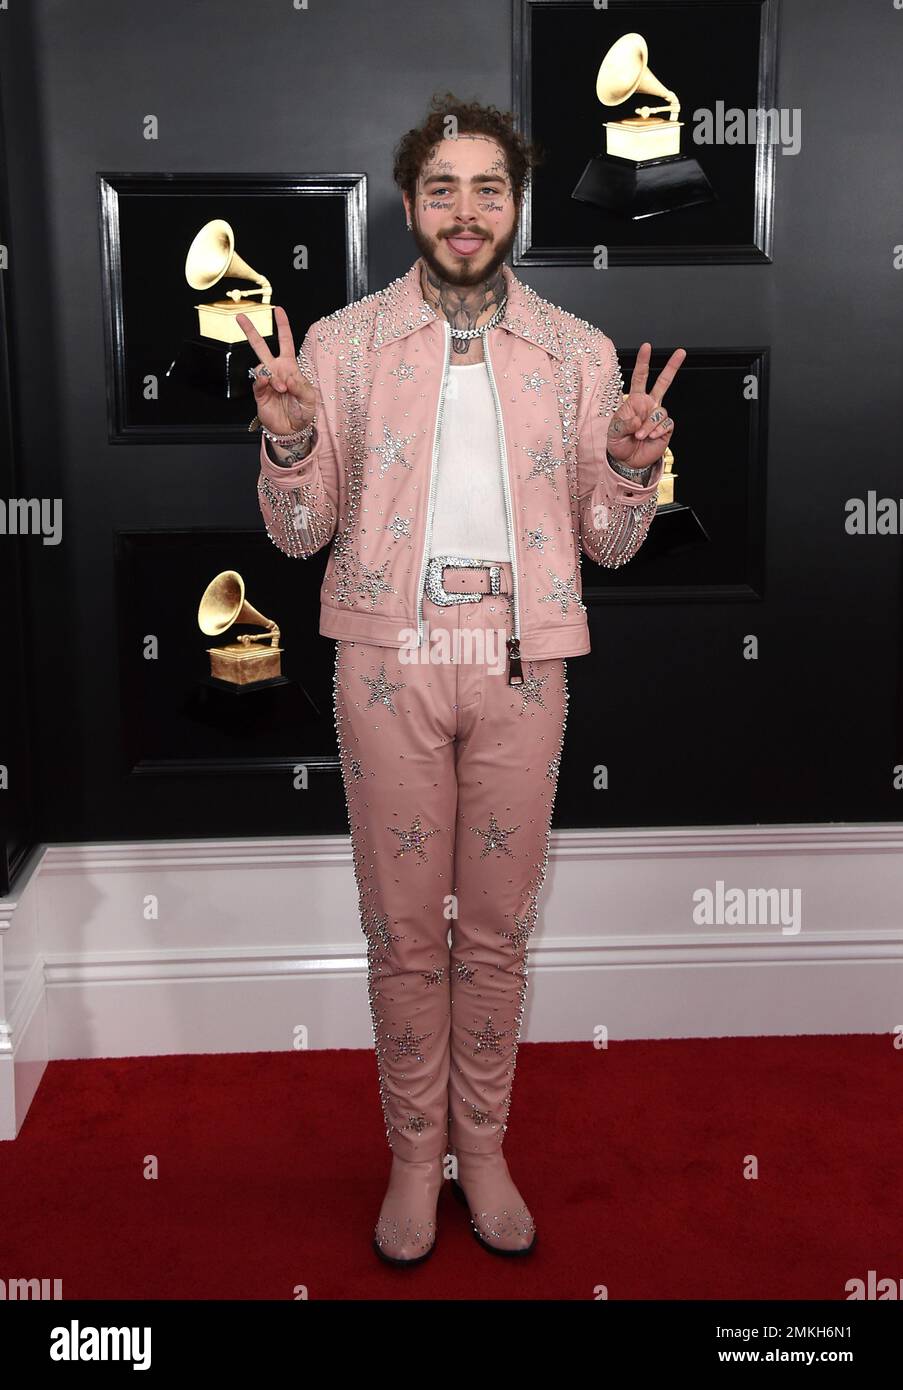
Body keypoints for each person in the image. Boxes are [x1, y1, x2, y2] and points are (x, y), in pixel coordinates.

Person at [238, 92, 685, 1266]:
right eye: (443, 188)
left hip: (522, 664)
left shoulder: (580, 354)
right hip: (389, 658)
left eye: (489, 187)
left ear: (517, 203)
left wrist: (634, 470)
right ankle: (408, 1155)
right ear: (408, 205)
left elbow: (609, 543)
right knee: (401, 934)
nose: (466, 209)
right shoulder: (337, 348)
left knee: (494, 934)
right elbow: (298, 536)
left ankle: (478, 1152)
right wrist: (289, 441)